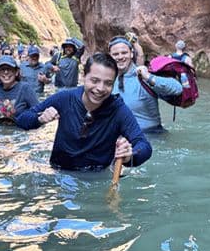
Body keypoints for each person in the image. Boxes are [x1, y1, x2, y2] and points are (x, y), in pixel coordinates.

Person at [16, 53, 152, 171]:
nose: (100, 88)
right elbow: (22, 119)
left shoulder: (118, 110)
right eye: (94, 80)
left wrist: (129, 156)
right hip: (60, 172)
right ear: (84, 76)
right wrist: (39, 119)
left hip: (96, 176)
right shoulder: (65, 98)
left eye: (108, 83)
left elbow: (144, 146)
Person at [109, 36, 182, 133]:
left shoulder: (143, 76)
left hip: (152, 136)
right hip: (121, 139)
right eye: (115, 54)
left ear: (131, 53)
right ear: (110, 56)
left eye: (124, 53)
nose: (120, 57)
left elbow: (177, 88)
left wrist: (148, 77)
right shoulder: (108, 80)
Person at [0, 55, 39, 124]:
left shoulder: (25, 88)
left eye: (9, 69)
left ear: (16, 72)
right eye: (2, 69)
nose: (6, 72)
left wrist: (16, 115)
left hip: (20, 130)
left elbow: (39, 113)